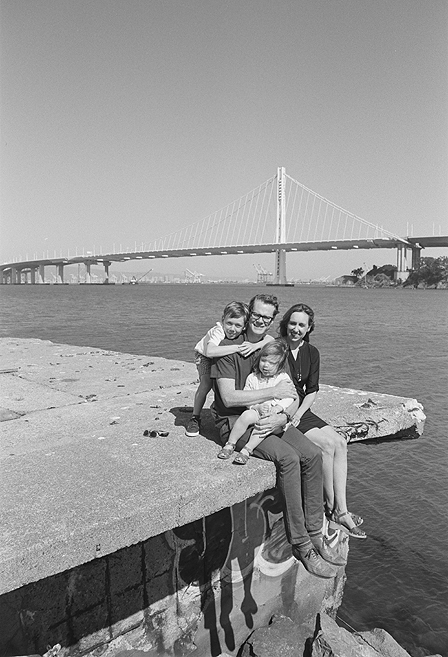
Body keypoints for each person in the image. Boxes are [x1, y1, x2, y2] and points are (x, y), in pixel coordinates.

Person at [211, 293, 347, 578]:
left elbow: (293, 395)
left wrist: (283, 416)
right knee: (287, 458)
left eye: (267, 317)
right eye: (257, 315)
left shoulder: (272, 349)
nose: (261, 321)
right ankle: (300, 544)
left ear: (274, 320)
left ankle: (315, 534)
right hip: (238, 421)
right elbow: (229, 397)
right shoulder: (228, 349)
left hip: (273, 417)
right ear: (248, 314)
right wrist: (273, 395)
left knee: (310, 454)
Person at [279, 303, 366, 539]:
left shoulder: (312, 352)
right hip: (283, 407)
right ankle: (333, 509)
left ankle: (342, 509)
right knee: (326, 446)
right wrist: (291, 413)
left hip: (302, 409)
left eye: (302, 325)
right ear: (286, 323)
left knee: (340, 443)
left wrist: (300, 413)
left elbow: (312, 389)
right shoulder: (276, 348)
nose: (296, 328)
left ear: (309, 329)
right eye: (293, 323)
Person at [185, 301, 273, 437]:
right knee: (206, 384)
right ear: (223, 320)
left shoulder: (242, 331)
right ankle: (195, 417)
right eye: (229, 323)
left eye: (238, 325)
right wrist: (239, 347)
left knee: (219, 386)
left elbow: (270, 339)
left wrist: (255, 346)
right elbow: (210, 351)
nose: (232, 329)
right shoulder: (219, 330)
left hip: (221, 352)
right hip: (204, 356)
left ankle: (216, 408)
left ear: (244, 326)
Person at [217, 339, 294, 465]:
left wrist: (278, 408)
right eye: (263, 361)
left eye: (271, 363)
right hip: (258, 410)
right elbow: (248, 396)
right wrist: (256, 407)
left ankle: (247, 449)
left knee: (264, 424)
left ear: (280, 365)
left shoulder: (282, 378)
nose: (266, 365)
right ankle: (230, 443)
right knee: (245, 416)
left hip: (274, 416)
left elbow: (289, 397)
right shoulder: (253, 377)